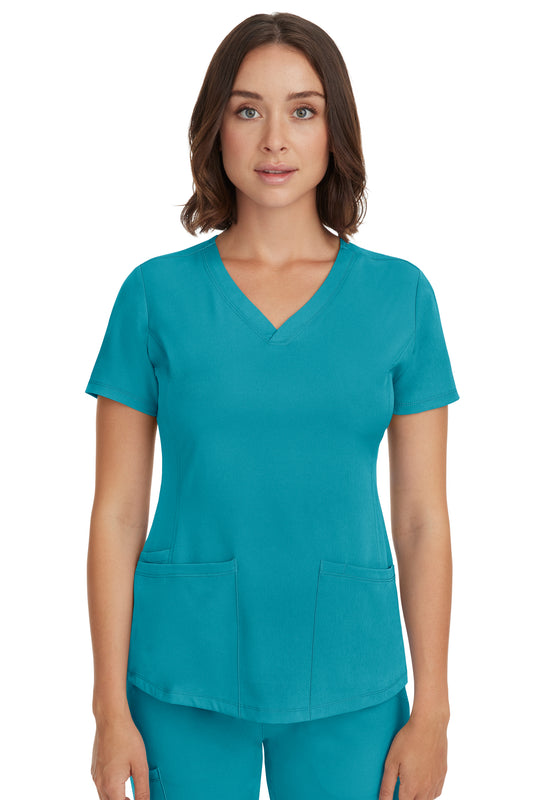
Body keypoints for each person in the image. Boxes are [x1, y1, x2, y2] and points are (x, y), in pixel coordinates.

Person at [86, 12, 459, 800]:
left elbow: (422, 518)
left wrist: (433, 711)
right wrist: (107, 708)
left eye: (303, 110)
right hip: (179, 674)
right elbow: (116, 512)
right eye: (248, 109)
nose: (274, 141)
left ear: (334, 130)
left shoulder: (401, 297)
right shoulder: (153, 295)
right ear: (215, 128)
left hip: (352, 678)